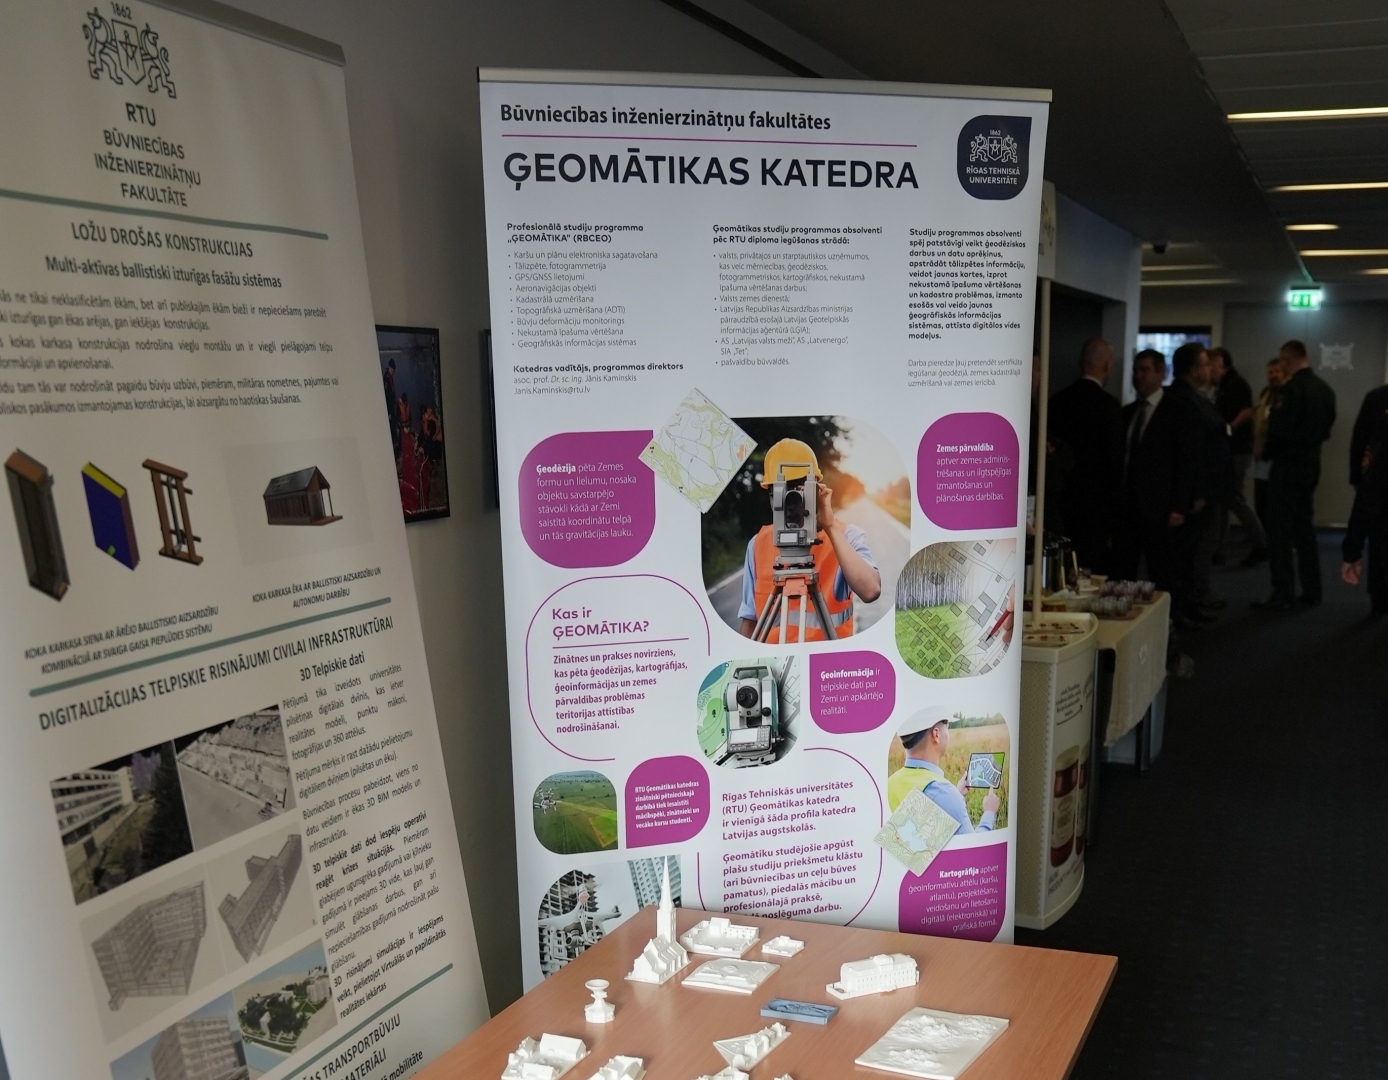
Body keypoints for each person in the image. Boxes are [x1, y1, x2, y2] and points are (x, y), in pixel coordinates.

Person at [737, 438, 881, 641]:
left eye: (797, 489)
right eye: (781, 490)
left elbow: (870, 590)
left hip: (825, 660)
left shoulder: (845, 536)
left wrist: (830, 527)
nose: (790, 499)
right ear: (770, 495)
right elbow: (750, 621)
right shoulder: (757, 545)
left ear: (816, 489)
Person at [1112, 349, 1199, 622]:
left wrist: (1179, 506)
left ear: (1161, 373)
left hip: (1160, 506)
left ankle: (1168, 622)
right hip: (1128, 506)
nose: (1139, 376)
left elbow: (1186, 462)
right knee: (1123, 569)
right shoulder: (1128, 413)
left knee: (1162, 570)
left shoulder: (1177, 412)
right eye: (1136, 370)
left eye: (1145, 370)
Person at [1261, 339, 1336, 609]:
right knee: (1304, 528)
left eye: (1283, 360)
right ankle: (1312, 589)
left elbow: (1279, 430)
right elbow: (1327, 429)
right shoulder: (1325, 389)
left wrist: (1266, 451)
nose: (1281, 366)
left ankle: (1284, 592)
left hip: (1287, 465)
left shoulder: (1290, 390)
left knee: (1280, 530)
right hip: (1311, 463)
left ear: (1289, 359)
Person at [1168, 343, 1232, 618]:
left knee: (1199, 548)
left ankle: (1193, 599)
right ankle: (1189, 603)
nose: (1210, 369)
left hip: (1205, 489)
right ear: (1194, 370)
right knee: (1193, 551)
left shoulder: (1194, 399)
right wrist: (1196, 493)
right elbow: (1190, 453)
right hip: (1198, 493)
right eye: (1206, 364)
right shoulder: (1185, 401)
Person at [1048, 337, 1123, 572]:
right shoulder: (1109, 406)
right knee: (1092, 565)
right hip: (1096, 503)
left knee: (1062, 562)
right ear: (1107, 365)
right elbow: (1114, 461)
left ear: (1082, 364)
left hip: (1061, 498)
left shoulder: (1057, 401)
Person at [887, 711, 998, 831]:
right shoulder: (944, 794)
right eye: (947, 726)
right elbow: (973, 844)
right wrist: (989, 812)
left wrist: (956, 793)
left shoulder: (889, 783)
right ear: (936, 734)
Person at [1209, 347, 1267, 564]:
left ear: (1223, 366)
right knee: (1224, 500)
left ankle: (1262, 543)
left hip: (1237, 450)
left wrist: (1229, 429)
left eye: (1213, 365)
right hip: (1231, 449)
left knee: (1233, 498)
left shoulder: (1236, 385)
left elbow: (1244, 414)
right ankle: (1218, 549)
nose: (1210, 370)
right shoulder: (1225, 386)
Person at [1345, 382, 1388, 613]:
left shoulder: (1378, 397)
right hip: (1379, 482)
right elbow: (1361, 439)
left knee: (1379, 539)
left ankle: (1379, 596)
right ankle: (1379, 595)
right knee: (1379, 538)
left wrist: (1358, 477)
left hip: (1378, 482)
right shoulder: (1378, 398)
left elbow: (1360, 440)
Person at [1251, 357, 1286, 532]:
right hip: (1261, 455)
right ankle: (1262, 535)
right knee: (1261, 498)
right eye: (1270, 372)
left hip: (1278, 457)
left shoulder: (1286, 395)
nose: (1273, 376)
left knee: (1277, 501)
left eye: (1277, 371)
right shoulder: (1265, 393)